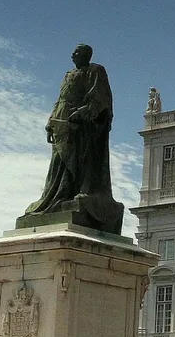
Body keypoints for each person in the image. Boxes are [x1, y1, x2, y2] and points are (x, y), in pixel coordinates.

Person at [23, 43, 121, 232]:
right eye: (73, 52)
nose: (73, 55)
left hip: (81, 125)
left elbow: (101, 98)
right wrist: (51, 121)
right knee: (58, 163)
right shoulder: (68, 75)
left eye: (77, 52)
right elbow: (60, 99)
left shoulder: (95, 71)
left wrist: (83, 112)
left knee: (80, 161)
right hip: (61, 123)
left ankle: (78, 193)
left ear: (87, 55)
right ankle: (56, 196)